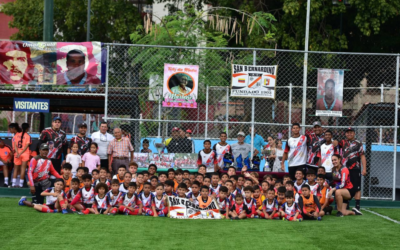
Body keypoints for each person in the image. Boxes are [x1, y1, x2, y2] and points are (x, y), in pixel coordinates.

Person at [334, 127, 366, 212]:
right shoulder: (343, 142)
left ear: (354, 133)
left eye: (351, 132)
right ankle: (345, 204)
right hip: (345, 169)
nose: (349, 134)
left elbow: (362, 156)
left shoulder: (358, 143)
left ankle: (357, 206)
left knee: (357, 187)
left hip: (356, 168)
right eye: (347, 132)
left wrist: (364, 169)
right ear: (345, 134)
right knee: (345, 185)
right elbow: (335, 144)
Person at [12, 123, 31, 188]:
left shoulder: (17, 135)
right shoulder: (28, 136)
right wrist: (21, 153)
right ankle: (20, 185)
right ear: (27, 128)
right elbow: (26, 146)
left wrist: (18, 153)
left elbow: (14, 145)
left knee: (15, 169)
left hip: (17, 154)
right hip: (25, 154)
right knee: (23, 169)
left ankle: (13, 184)